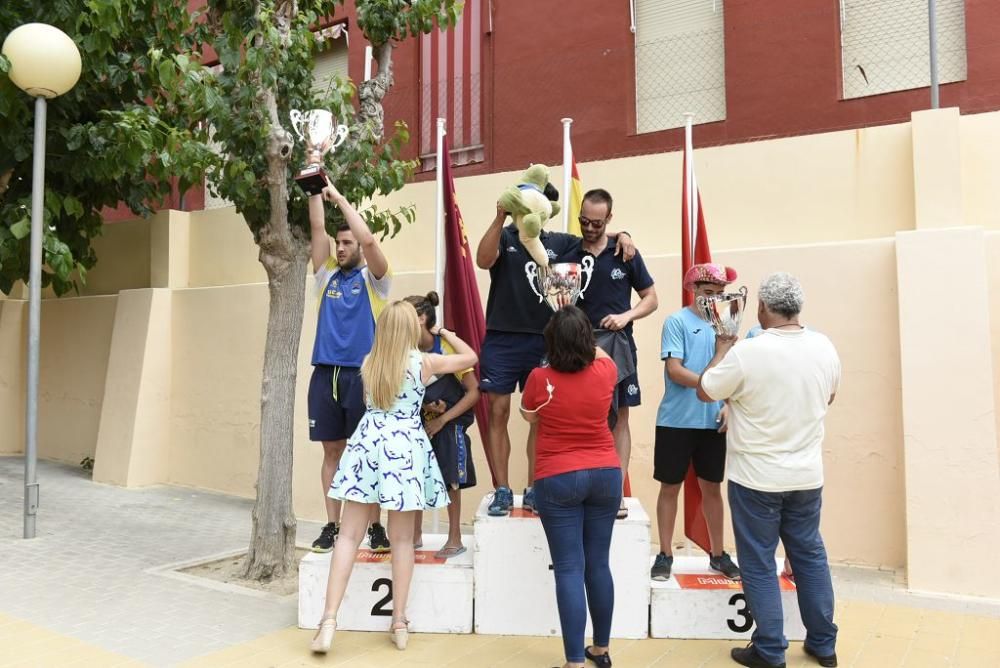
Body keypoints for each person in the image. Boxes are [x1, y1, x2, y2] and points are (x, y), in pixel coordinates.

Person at [310, 301, 478, 654]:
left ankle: (328, 620)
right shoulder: (424, 362)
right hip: (405, 448)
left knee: (348, 537)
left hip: (368, 442)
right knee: (402, 541)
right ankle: (399, 621)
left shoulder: (370, 363)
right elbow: (470, 358)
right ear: (410, 329)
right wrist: (444, 333)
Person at [699, 272, 840, 668]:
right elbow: (830, 394)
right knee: (810, 556)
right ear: (798, 308)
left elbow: (706, 389)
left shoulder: (750, 351)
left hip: (755, 477)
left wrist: (723, 346)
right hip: (807, 475)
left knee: (759, 562)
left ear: (761, 307)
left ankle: (770, 649)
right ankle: (824, 644)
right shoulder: (824, 346)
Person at [475, 195, 635, 517]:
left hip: (543, 339)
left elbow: (596, 236)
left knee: (541, 414)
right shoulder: (505, 236)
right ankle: (502, 489)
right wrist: (499, 217)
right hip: (502, 338)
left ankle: (534, 487)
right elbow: (482, 259)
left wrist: (625, 235)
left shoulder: (559, 242)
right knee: (498, 411)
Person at [519, 306, 621, 668]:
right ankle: (602, 648)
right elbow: (602, 353)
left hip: (557, 475)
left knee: (568, 568)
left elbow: (529, 414)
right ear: (587, 340)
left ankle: (575, 660)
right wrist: (583, 339)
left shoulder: (538, 377)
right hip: (606, 473)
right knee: (599, 564)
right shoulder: (606, 369)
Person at [307, 183, 391, 553]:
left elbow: (371, 242)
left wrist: (339, 199)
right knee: (332, 452)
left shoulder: (375, 280)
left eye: (347, 243)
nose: (340, 248)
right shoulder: (326, 275)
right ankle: (332, 525)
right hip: (326, 374)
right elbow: (315, 228)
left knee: (368, 453)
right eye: (338, 243)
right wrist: (313, 183)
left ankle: (375, 527)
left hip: (362, 376)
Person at [650, 263, 741, 582]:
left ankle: (718, 553)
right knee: (669, 487)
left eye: (718, 292)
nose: (713, 298)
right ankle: (664, 553)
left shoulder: (727, 323)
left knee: (712, 489)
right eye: (707, 292)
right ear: (693, 289)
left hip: (711, 421)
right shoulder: (676, 321)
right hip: (676, 420)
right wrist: (710, 378)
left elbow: (734, 372)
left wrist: (728, 404)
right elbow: (675, 370)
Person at [571, 188, 658, 520]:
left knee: (620, 418)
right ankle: (583, 490)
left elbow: (651, 298)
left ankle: (616, 493)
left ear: (609, 219)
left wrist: (626, 316)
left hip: (618, 345)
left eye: (596, 223)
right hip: (577, 348)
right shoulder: (568, 249)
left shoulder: (626, 253)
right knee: (580, 419)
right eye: (584, 221)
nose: (589, 228)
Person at [404, 292, 480, 559]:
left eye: (406, 315)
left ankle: (455, 537)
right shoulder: (406, 350)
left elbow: (473, 393)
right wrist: (427, 409)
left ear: (422, 318)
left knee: (450, 479)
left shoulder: (445, 347)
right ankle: (413, 535)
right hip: (422, 422)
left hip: (451, 424)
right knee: (413, 475)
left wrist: (443, 419)